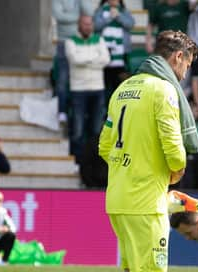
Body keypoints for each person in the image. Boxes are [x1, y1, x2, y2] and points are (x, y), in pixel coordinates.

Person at [99, 30, 197, 272]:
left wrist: (132, 169)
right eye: (187, 64)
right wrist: (173, 171)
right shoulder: (163, 90)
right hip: (145, 203)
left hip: (119, 199)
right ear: (177, 58)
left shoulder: (123, 88)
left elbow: (105, 145)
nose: (185, 73)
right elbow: (175, 148)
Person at [65, 15, 110, 169]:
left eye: (90, 24)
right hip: (78, 89)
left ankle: (94, 164)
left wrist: (85, 59)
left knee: (96, 129)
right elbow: (74, 60)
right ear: (79, 25)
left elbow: (106, 59)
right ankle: (77, 162)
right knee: (78, 128)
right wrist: (94, 59)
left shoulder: (99, 39)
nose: (88, 27)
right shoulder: (70, 41)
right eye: (85, 24)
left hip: (97, 88)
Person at [51, 0, 94, 128]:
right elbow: (59, 16)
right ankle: (62, 111)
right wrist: (77, 17)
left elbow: (89, 12)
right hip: (63, 42)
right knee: (62, 80)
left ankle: (84, 111)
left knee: (83, 77)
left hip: (80, 42)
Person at [94, 0, 135, 100]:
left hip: (121, 55)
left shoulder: (124, 11)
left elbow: (130, 24)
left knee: (120, 86)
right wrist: (109, 17)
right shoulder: (100, 11)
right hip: (104, 55)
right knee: (105, 86)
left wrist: (118, 16)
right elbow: (96, 26)